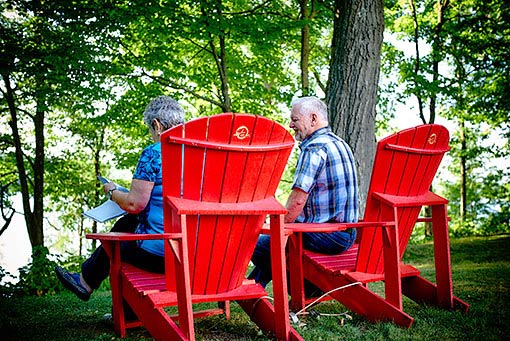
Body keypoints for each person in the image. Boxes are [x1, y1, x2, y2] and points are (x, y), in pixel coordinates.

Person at [55, 95, 185, 302]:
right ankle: (88, 283)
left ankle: (87, 282)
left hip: (163, 255)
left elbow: (134, 204)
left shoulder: (154, 153)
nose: (151, 135)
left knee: (115, 244)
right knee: (128, 222)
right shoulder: (202, 153)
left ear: (157, 125)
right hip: (197, 252)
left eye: (150, 130)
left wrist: (113, 192)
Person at [248, 96, 358, 292]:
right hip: (347, 233)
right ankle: (255, 287)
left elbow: (297, 203)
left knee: (254, 243)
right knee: (274, 244)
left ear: (313, 119)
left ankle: (305, 287)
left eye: (295, 119)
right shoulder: (340, 143)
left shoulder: (314, 147)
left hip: (327, 236)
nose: (291, 124)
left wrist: (272, 226)